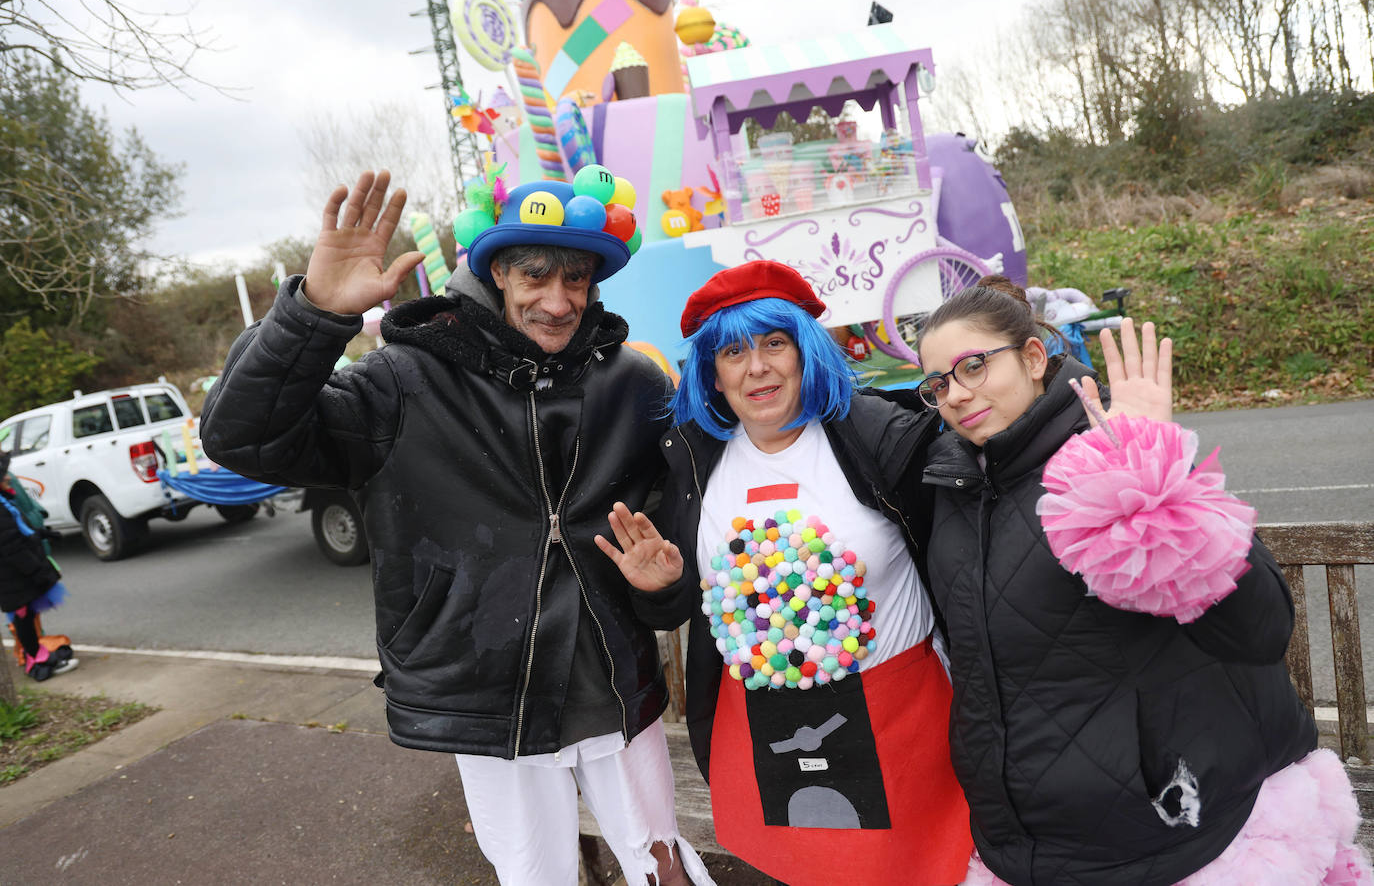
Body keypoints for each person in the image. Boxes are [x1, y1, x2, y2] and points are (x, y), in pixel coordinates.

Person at [200, 170, 713, 886]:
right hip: (487, 695)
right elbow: (243, 438)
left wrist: (663, 593)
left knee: (666, 872)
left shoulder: (633, 384)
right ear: (498, 270)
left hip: (617, 690)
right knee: (537, 878)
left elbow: (666, 558)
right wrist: (315, 315)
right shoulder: (405, 380)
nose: (558, 301)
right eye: (535, 275)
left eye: (576, 277)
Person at [912, 277, 1371, 885]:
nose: (958, 394)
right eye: (939, 383)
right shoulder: (954, 488)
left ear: (1031, 357)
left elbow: (1258, 628)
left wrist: (1151, 478)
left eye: (973, 366)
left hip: (1182, 834)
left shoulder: (1110, 450)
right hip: (1026, 847)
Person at [598, 260, 975, 885]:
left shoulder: (876, 435)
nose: (758, 367)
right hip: (765, 727)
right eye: (734, 352)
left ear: (806, 353)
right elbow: (688, 607)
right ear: (712, 375)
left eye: (776, 343)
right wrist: (662, 589)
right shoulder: (693, 460)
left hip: (902, 717)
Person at [1, 451, 77, 681]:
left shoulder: (5, 502)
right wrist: (37, 572)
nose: (8, 478)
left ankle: (35, 654)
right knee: (23, 616)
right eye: (4, 475)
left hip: (15, 576)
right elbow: (11, 546)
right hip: (13, 578)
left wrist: (41, 534)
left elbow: (16, 533)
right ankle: (36, 660)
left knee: (26, 614)